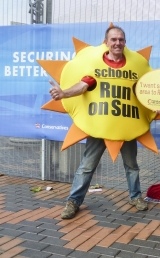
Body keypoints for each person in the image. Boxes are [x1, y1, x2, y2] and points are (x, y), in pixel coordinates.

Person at [49, 26, 148, 219]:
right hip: (100, 126)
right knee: (87, 166)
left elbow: (144, 91)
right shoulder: (96, 65)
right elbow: (83, 85)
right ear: (106, 42)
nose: (117, 43)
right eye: (113, 39)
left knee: (132, 165)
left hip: (126, 126)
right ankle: (73, 201)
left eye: (121, 39)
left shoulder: (134, 68)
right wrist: (64, 93)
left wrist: (155, 104)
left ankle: (135, 197)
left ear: (125, 43)